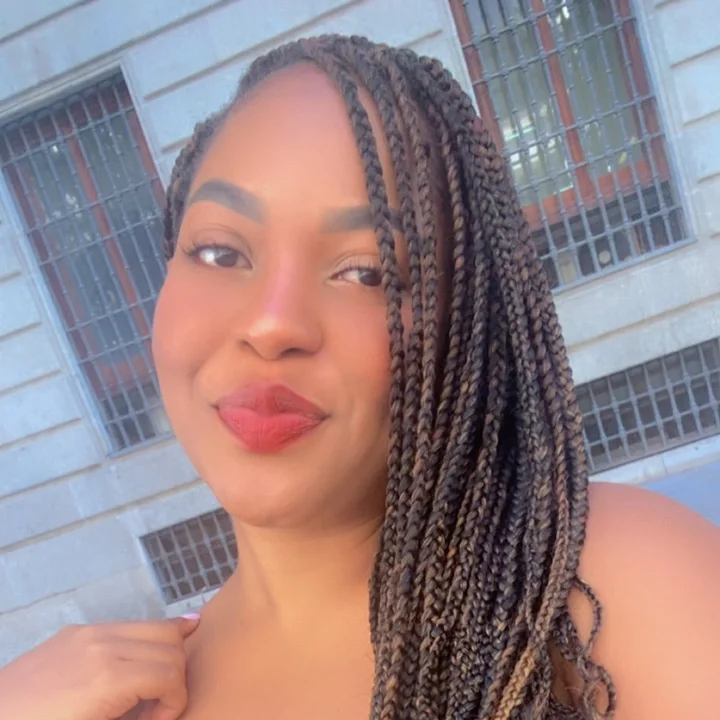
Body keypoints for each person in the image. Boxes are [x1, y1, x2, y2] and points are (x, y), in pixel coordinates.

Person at [0, 34, 718, 720]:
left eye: (367, 272)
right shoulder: (116, 701)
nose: (272, 323)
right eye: (220, 252)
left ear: (464, 321)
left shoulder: (608, 590)